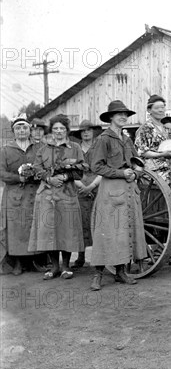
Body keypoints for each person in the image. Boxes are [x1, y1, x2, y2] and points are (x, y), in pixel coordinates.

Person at [88, 100, 147, 290]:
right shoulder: (104, 139)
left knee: (125, 232)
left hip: (129, 190)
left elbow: (138, 163)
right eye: (119, 114)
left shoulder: (127, 139)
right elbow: (96, 166)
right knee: (106, 232)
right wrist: (121, 173)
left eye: (125, 114)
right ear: (111, 117)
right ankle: (98, 274)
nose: (123, 117)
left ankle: (121, 272)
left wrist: (135, 173)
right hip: (111, 190)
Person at [28, 114, 87, 281]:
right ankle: (54, 266)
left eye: (62, 128)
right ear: (51, 131)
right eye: (55, 129)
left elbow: (81, 170)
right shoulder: (44, 149)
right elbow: (36, 168)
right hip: (46, 195)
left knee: (66, 229)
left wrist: (66, 177)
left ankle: (66, 266)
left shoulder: (74, 147)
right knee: (49, 230)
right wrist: (49, 178)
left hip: (67, 194)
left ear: (67, 130)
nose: (59, 132)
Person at [0, 117, 43, 275]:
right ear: (13, 132)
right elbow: (1, 172)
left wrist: (37, 174)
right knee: (16, 229)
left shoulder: (38, 147)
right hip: (15, 196)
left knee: (34, 226)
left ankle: (34, 261)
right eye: (18, 128)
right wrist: (19, 178)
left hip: (35, 194)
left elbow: (46, 166)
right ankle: (17, 263)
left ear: (30, 130)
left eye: (24, 127)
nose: (22, 131)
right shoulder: (6, 150)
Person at [70, 120, 103, 268]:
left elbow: (105, 168)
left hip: (98, 185)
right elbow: (69, 171)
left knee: (99, 221)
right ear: (79, 134)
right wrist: (81, 185)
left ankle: (100, 257)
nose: (86, 133)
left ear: (93, 132)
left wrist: (92, 185)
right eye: (83, 131)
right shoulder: (75, 149)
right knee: (80, 221)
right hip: (79, 187)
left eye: (89, 130)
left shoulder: (100, 148)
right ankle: (81, 256)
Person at [134, 95, 171, 183]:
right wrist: (161, 154)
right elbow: (142, 152)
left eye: (162, 107)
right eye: (157, 108)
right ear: (149, 110)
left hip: (167, 165)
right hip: (152, 170)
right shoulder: (146, 128)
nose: (161, 110)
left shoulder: (164, 128)